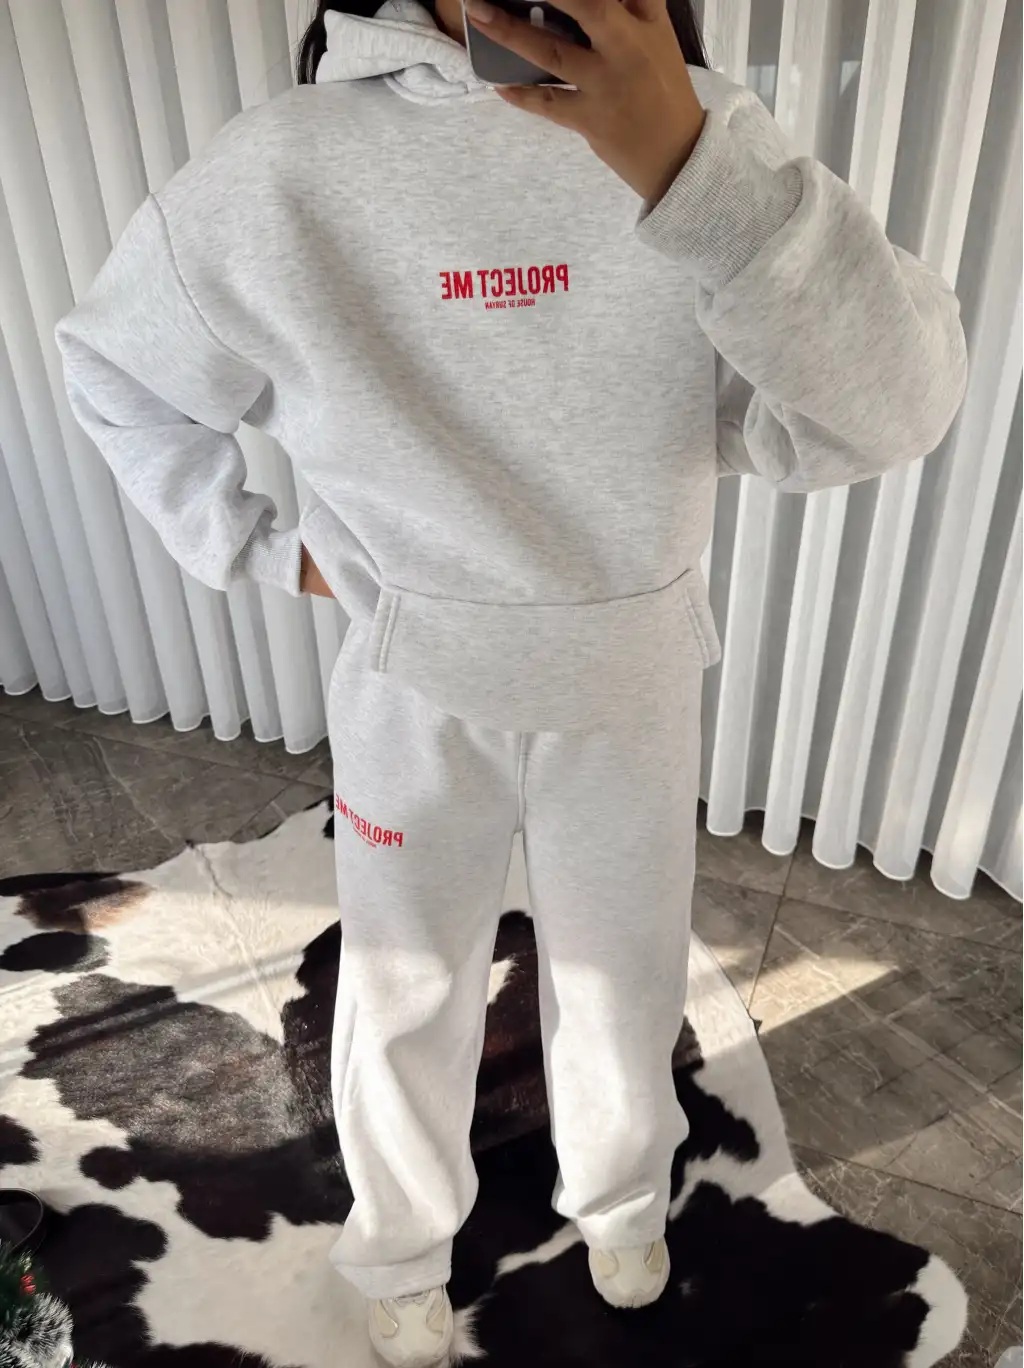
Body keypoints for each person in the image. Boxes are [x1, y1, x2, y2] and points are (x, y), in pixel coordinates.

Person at [56, 0, 967, 1363]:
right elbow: (118, 370)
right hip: (416, 679)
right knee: (405, 984)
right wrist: (257, 544)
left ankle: (623, 1202)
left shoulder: (702, 135)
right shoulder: (284, 165)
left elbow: (889, 410)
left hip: (631, 666)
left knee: (623, 967)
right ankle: (401, 1246)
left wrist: (697, 174)